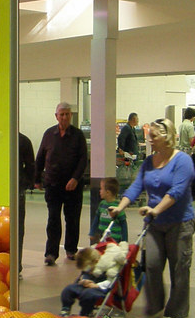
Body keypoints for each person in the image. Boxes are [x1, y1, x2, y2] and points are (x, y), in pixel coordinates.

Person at [110, 117, 195, 318]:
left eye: (154, 136)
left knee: (179, 267)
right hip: (154, 225)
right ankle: (154, 309)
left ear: (167, 138)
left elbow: (176, 191)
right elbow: (136, 186)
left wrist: (155, 209)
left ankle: (176, 310)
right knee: (153, 265)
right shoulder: (149, 162)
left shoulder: (183, 161)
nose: (149, 140)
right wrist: (120, 207)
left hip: (180, 223)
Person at [35, 101, 88, 265]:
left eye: (67, 114)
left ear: (71, 115)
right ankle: (51, 253)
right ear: (56, 116)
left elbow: (83, 160)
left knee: (72, 219)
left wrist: (75, 178)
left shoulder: (78, 135)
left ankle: (71, 250)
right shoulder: (49, 134)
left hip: (73, 186)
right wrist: (37, 178)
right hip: (53, 185)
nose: (64, 117)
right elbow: (40, 157)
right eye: (61, 114)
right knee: (53, 220)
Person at [59, 247, 113, 317]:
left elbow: (110, 282)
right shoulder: (88, 269)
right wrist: (83, 281)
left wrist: (97, 285)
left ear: (96, 262)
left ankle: (86, 312)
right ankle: (65, 308)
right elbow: (84, 275)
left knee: (88, 294)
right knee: (68, 289)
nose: (87, 271)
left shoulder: (106, 268)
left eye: (88, 269)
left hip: (100, 289)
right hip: (86, 286)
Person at [17, 132, 36, 273]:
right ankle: (16, 265)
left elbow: (30, 166)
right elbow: (30, 166)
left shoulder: (22, 141)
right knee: (18, 228)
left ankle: (14, 264)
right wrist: (26, 183)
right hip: (18, 189)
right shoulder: (24, 140)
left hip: (10, 189)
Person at [94, 177, 128, 242]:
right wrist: (92, 232)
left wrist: (125, 240)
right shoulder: (102, 204)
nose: (99, 191)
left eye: (101, 189)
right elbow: (96, 219)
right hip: (103, 237)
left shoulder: (118, 206)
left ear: (108, 192)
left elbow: (123, 225)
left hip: (115, 239)